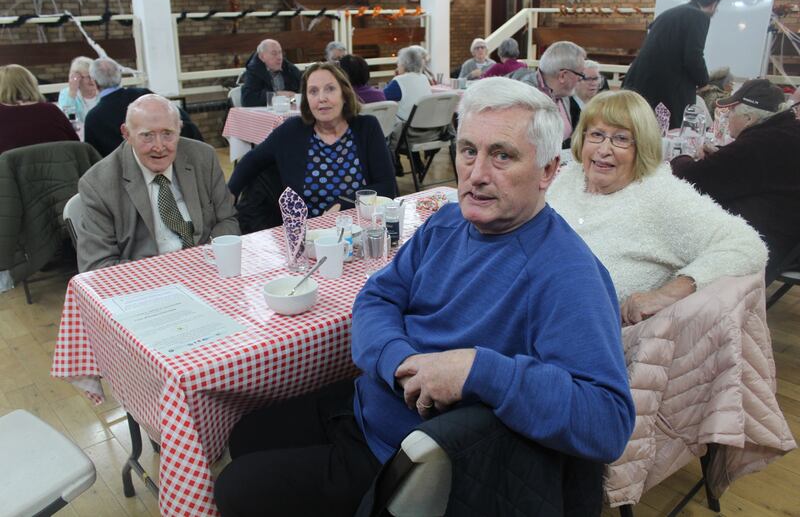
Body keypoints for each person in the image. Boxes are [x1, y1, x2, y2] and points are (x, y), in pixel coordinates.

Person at [214, 77, 635, 517]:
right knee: (244, 434)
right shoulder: (449, 222)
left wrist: (477, 369)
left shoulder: (566, 273)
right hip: (369, 402)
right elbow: (377, 297)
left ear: (548, 170)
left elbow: (606, 421)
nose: (477, 174)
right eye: (469, 150)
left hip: (405, 458)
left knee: (235, 489)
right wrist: (398, 361)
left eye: (503, 155)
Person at [548, 89, 767, 325]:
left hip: (592, 337)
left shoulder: (659, 195)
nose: (603, 149)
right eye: (596, 135)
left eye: (621, 138)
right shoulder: (571, 178)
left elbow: (746, 244)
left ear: (642, 146)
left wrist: (668, 294)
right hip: (536, 312)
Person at [76, 94, 239, 272]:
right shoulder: (98, 183)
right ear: (126, 134)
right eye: (147, 136)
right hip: (144, 281)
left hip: (207, 268)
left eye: (168, 134)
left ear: (179, 129)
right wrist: (165, 274)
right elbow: (97, 266)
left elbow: (227, 220)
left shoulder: (203, 157)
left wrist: (205, 261)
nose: (159, 146)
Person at [228, 62, 395, 230]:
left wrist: (343, 205)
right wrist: (229, 195)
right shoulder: (292, 130)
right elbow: (251, 161)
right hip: (307, 235)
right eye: (313, 91)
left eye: (330, 89)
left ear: (344, 94)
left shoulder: (366, 128)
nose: (322, 98)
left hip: (360, 229)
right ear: (307, 100)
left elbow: (387, 187)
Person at [671, 79, 800, 283]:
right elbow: (742, 169)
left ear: (748, 119)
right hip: (790, 239)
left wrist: (680, 157)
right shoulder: (787, 131)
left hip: (761, 244)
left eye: (731, 113)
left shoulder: (759, 144)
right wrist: (721, 157)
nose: (728, 116)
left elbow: (691, 179)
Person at [623, 0, 724, 129]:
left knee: (639, 128)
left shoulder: (669, 13)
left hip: (640, 82)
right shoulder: (699, 16)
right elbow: (693, 55)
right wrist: (704, 83)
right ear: (714, 4)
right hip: (666, 89)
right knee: (668, 134)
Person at [84, 58, 202, 157]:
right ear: (120, 76)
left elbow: (93, 159)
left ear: (94, 82)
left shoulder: (93, 118)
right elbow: (185, 122)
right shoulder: (146, 96)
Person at [0, 64, 78, 155]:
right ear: (31, 84)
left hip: (10, 169)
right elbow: (76, 145)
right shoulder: (51, 111)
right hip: (59, 167)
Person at [520, 40, 586, 147]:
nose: (581, 79)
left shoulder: (563, 93)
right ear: (562, 76)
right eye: (580, 74)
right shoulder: (525, 99)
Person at [241, 39, 302, 107]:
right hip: (263, 115)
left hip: (289, 111)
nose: (279, 57)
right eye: (274, 53)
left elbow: (302, 93)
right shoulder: (254, 71)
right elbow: (248, 100)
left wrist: (291, 101)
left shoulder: (289, 68)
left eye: (280, 52)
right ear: (262, 57)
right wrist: (276, 95)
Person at [383, 45, 432, 124]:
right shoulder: (424, 78)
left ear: (404, 64)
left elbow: (381, 97)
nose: (397, 66)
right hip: (425, 125)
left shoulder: (399, 81)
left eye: (398, 63)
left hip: (406, 129)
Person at [57, 56, 98, 122]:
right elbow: (65, 119)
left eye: (94, 75)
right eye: (88, 77)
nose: (92, 80)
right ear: (77, 78)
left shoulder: (103, 92)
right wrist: (72, 93)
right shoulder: (66, 94)